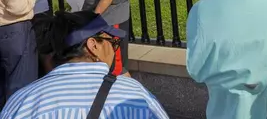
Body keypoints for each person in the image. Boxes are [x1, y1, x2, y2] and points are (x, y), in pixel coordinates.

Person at [0, 11, 169, 118]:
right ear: (93, 45)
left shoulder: (23, 101)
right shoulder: (135, 96)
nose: (114, 49)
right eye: (112, 43)